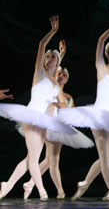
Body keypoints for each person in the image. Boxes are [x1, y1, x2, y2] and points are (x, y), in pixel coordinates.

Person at [0, 16, 75, 201]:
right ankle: (41, 192)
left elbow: (64, 103)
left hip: (43, 120)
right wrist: (53, 32)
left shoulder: (55, 84)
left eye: (53, 57)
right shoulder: (39, 73)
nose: (49, 58)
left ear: (58, 62)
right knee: (34, 159)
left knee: (29, 159)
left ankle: (7, 185)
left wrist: (54, 103)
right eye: (47, 56)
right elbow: (42, 45)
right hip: (31, 116)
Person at [59, 10, 109, 201]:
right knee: (103, 154)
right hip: (98, 113)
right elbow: (100, 41)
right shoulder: (101, 67)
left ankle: (85, 183)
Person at [22, 65, 94, 200]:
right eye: (59, 74)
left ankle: (36, 185)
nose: (61, 77)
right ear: (55, 75)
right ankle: (45, 187)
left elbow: (72, 114)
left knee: (52, 160)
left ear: (67, 80)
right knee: (51, 160)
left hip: (60, 128)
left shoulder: (68, 97)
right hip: (49, 126)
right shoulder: (51, 91)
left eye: (64, 75)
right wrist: (60, 55)